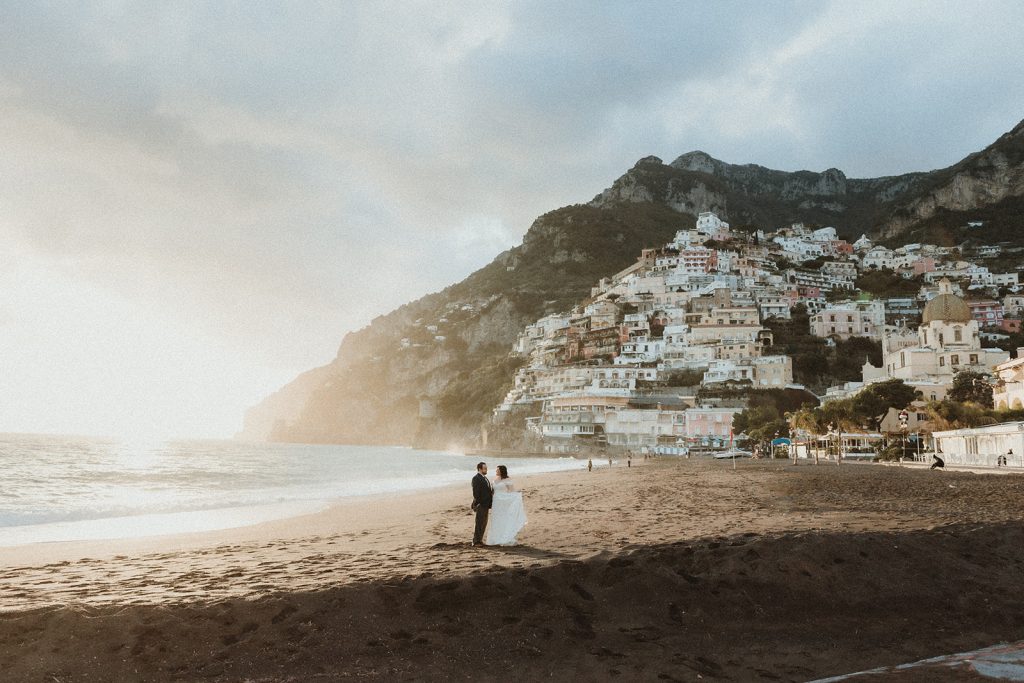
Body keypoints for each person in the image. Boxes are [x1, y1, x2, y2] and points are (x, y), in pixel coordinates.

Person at [485, 465, 528, 546]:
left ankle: (504, 538)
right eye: (496, 470)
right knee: (495, 519)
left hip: (503, 501)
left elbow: (511, 491)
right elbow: (493, 492)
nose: (496, 471)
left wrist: (512, 498)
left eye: (497, 470)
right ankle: (494, 538)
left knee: (504, 518)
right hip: (496, 502)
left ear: (502, 471)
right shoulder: (494, 479)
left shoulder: (507, 479)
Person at [471, 462, 493, 546]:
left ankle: (479, 540)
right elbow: (476, 493)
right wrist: (479, 503)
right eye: (485, 468)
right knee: (479, 523)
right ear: (480, 469)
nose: (486, 470)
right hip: (481, 504)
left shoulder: (484, 478)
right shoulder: (476, 478)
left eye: (486, 468)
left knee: (483, 523)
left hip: (486, 504)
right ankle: (475, 541)